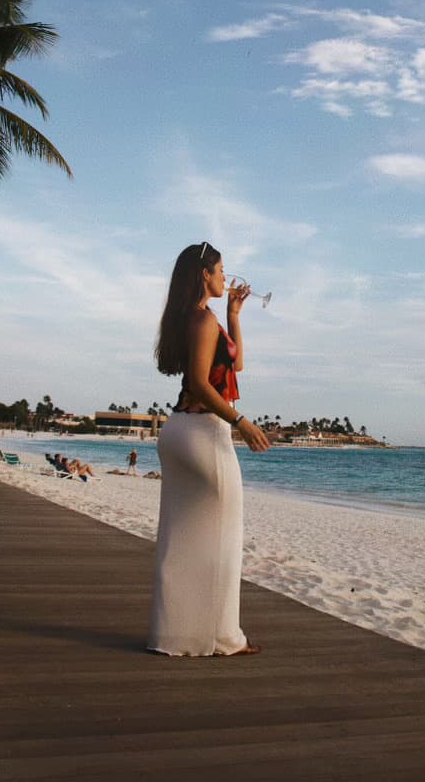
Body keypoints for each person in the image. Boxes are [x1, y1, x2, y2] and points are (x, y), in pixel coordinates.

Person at [148, 242, 270, 658]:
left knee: (181, 540)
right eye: (220, 270)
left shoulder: (197, 319)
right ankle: (224, 638)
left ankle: (175, 636)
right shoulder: (201, 320)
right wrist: (242, 423)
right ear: (204, 274)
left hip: (180, 431)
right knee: (224, 539)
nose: (225, 277)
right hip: (204, 433)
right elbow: (202, 384)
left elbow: (234, 367)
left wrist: (235, 316)